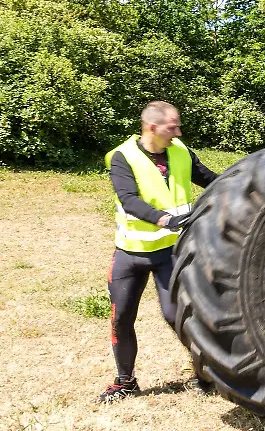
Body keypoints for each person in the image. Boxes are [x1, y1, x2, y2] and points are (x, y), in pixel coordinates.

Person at [97, 101, 219, 402]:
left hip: (170, 253)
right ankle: (125, 381)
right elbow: (129, 200)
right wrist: (165, 219)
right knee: (121, 318)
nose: (178, 131)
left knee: (176, 315)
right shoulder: (122, 157)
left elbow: (211, 180)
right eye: (172, 126)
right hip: (130, 254)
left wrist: (243, 185)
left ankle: (205, 374)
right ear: (152, 127)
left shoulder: (181, 152)